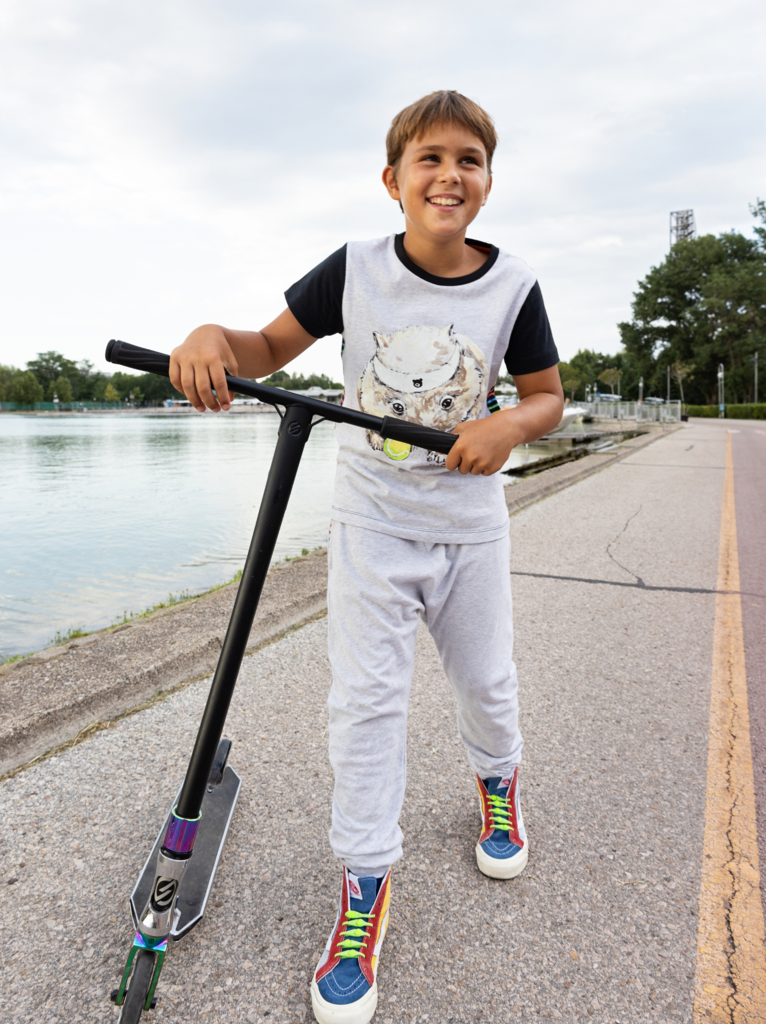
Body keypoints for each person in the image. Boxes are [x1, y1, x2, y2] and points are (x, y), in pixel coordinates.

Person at [169, 90, 563, 1024]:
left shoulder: (515, 287)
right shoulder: (351, 270)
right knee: (366, 708)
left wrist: (507, 423)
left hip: (470, 529)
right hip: (373, 531)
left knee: (486, 684)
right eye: (429, 159)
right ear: (393, 180)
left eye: (467, 159)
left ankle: (497, 783)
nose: (448, 174)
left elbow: (546, 396)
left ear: (488, 183)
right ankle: (364, 886)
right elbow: (263, 347)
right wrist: (203, 340)